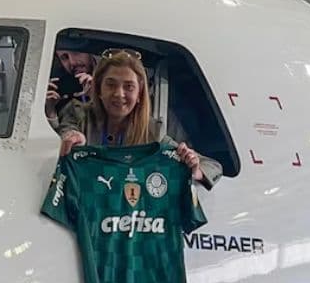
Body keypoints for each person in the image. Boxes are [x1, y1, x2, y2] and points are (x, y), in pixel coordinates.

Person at [55, 48, 221, 190]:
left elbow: (213, 167)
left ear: (140, 94)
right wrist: (72, 137)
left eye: (129, 87)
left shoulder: (153, 133)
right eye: (111, 84)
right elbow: (68, 129)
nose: (119, 94)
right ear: (98, 89)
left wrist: (194, 168)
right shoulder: (77, 113)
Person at [44, 46, 98, 130]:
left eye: (76, 52)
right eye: (64, 57)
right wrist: (50, 111)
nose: (72, 62)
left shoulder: (113, 74)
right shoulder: (61, 95)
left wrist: (98, 98)